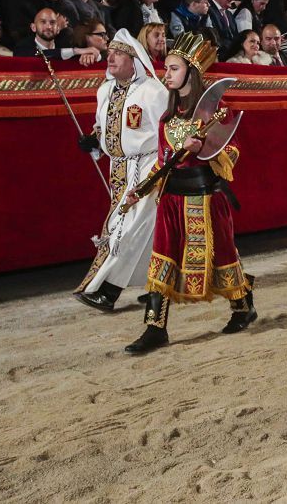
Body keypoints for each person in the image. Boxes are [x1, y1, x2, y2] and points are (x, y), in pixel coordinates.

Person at [123, 32, 256, 354]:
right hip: (171, 199)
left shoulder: (213, 111)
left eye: (173, 68)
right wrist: (139, 191)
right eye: (166, 68)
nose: (166, 74)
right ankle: (155, 328)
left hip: (207, 198)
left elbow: (233, 151)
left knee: (222, 255)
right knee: (162, 258)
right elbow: (163, 161)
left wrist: (204, 146)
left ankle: (242, 306)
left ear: (190, 73)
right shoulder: (168, 117)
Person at [74, 30, 169, 311]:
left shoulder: (153, 91)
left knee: (126, 228)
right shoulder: (104, 90)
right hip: (119, 169)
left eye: (118, 54)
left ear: (134, 60)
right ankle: (159, 284)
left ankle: (107, 290)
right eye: (109, 53)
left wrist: (163, 172)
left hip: (148, 167)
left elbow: (167, 132)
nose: (110, 58)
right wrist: (94, 142)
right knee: (144, 231)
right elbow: (102, 129)